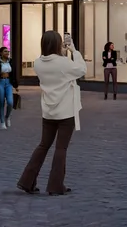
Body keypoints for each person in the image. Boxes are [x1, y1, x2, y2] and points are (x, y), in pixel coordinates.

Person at [18, 30, 86, 196]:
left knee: (43, 145)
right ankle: (56, 185)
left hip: (48, 111)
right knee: (61, 148)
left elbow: (55, 66)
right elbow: (81, 69)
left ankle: (27, 181)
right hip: (65, 111)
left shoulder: (37, 63)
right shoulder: (63, 62)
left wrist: (62, 54)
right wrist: (74, 51)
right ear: (57, 44)